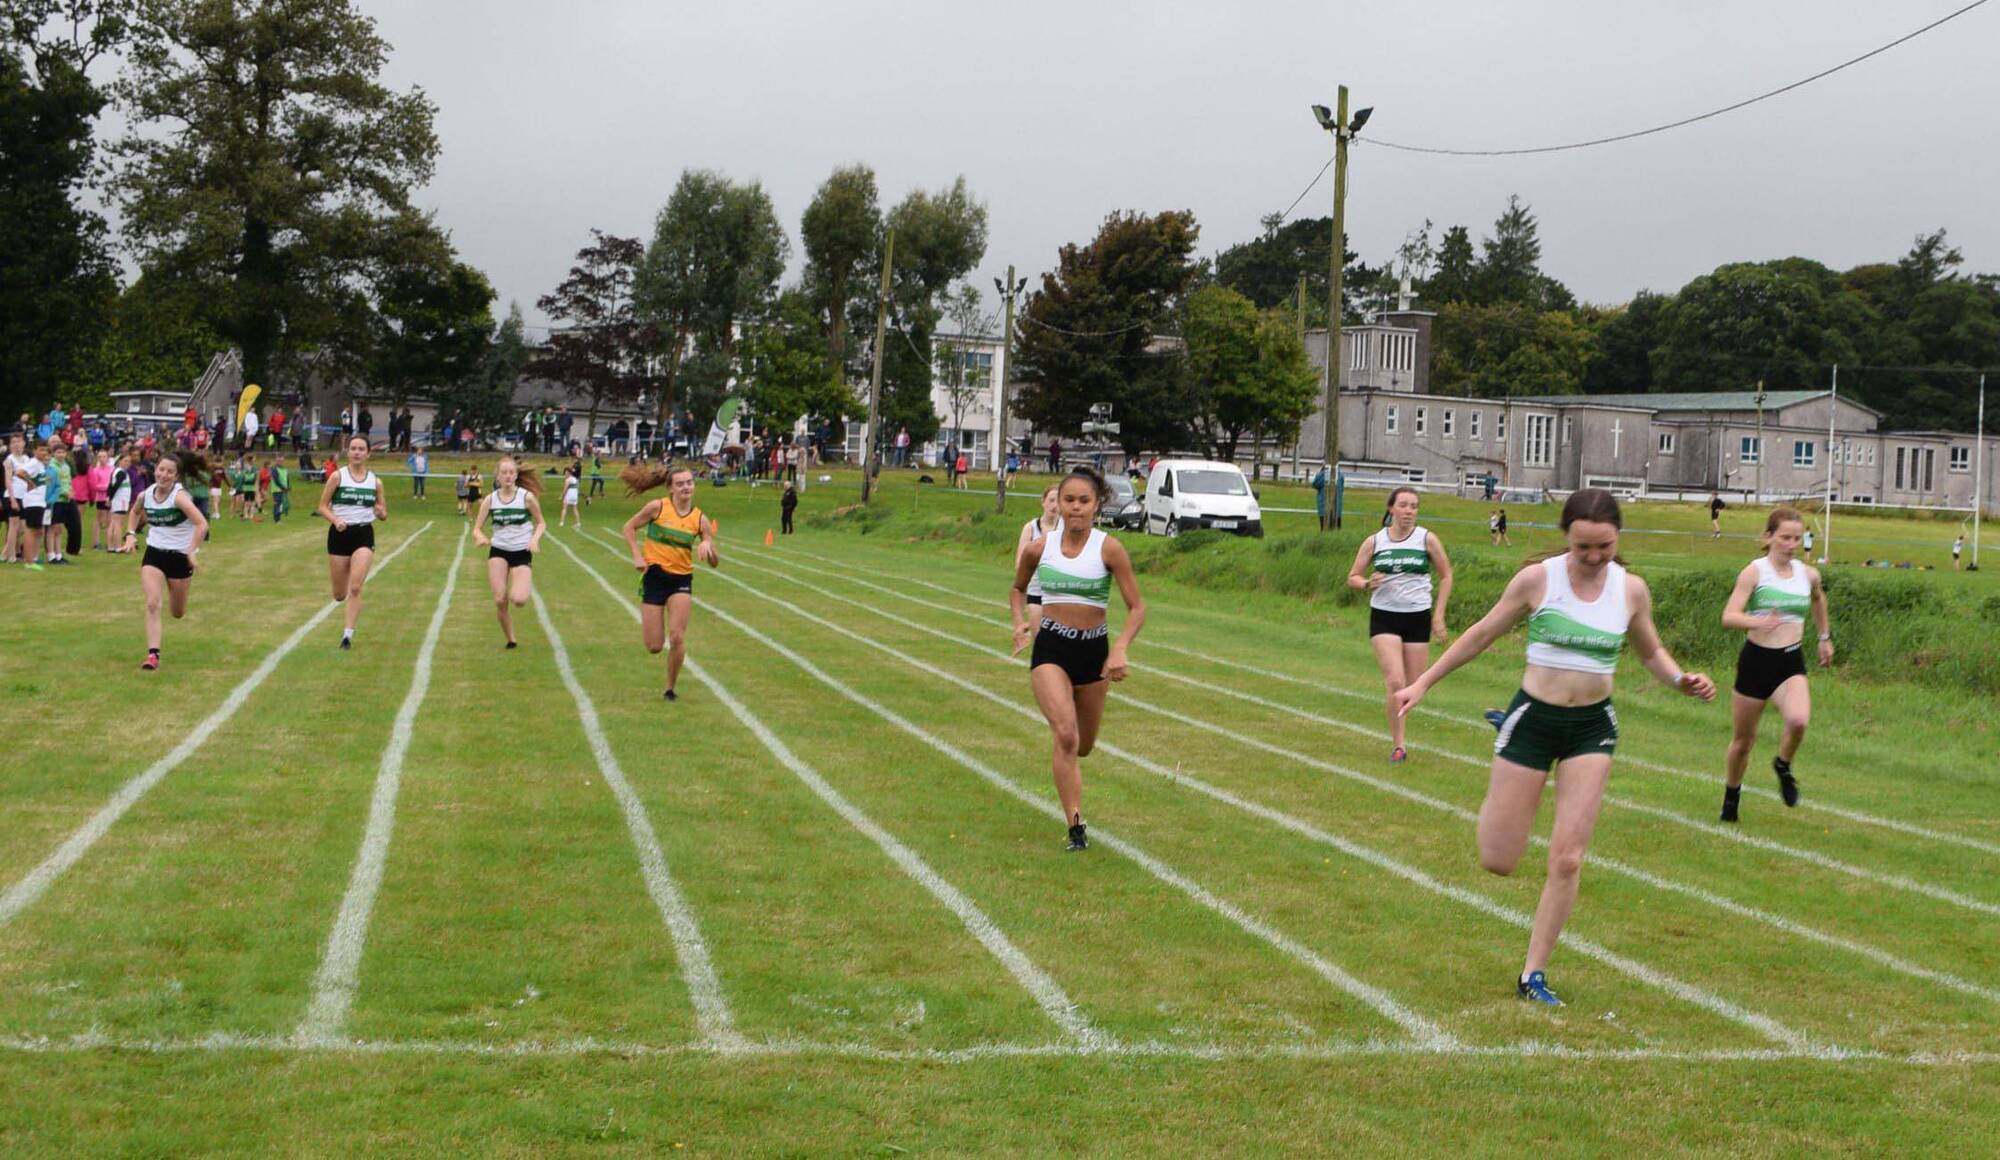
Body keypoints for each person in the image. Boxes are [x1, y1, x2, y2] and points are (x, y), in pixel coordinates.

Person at [1394, 489, 1716, 1007]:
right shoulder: (1537, 579)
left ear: (1618, 539)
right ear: (1566, 536)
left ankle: (1533, 974)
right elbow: (1479, 635)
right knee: (1498, 859)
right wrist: (1424, 682)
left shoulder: (1631, 590)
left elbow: (1649, 649)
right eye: (1584, 547)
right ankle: (1506, 754)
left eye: (1604, 547)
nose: (1593, 558)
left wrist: (1680, 680)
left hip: (1592, 727)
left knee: (1567, 858)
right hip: (1533, 720)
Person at [1010, 466, 1145, 851]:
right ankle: (1075, 825)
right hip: (1051, 648)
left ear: (1097, 504)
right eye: (1068, 500)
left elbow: (1136, 608)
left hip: (1093, 652)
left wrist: (1120, 648)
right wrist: (1019, 622)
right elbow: (1018, 589)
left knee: (1083, 745)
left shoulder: (1110, 549)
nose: (1075, 508)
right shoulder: (1040, 547)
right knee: (1066, 735)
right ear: (1059, 504)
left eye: (1084, 501)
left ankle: (1070, 783)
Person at [1718, 507, 1833, 824]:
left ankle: (1783, 765)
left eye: (1798, 538)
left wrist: (1824, 637)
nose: (1792, 544)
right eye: (1785, 537)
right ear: (1768, 537)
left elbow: (1818, 599)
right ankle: (1731, 796)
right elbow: (1729, 616)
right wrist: (1757, 620)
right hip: (1756, 662)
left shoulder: (1808, 575)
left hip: (1790, 661)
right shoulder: (1754, 572)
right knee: (1743, 743)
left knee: (1798, 720)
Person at [1347, 487, 1453, 762]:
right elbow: (1353, 576)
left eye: (1414, 506)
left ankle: (1400, 731)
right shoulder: (1375, 541)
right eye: (1404, 505)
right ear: (1391, 509)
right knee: (1395, 680)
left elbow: (1446, 576)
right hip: (1384, 616)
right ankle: (1399, 746)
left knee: (1413, 686)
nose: (1409, 511)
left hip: (1417, 616)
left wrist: (1438, 616)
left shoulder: (1427, 539)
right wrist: (1367, 583)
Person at [620, 464, 719, 702]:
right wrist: (636, 554)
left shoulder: (700, 519)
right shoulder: (657, 507)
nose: (686, 487)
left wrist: (709, 547)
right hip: (654, 577)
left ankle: (670, 688)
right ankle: (665, 672)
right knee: (654, 646)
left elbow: (714, 562)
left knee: (676, 637)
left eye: (689, 483)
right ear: (671, 489)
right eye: (681, 484)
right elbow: (629, 527)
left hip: (681, 581)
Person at [126, 451, 210, 670]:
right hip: (154, 553)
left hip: (180, 557)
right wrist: (130, 534)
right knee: (152, 602)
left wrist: (192, 551)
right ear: (155, 470)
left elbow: (202, 524)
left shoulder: (180, 498)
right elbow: (135, 513)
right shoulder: (146, 494)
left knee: (177, 612)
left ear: (176, 476)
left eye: (169, 472)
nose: (163, 475)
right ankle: (153, 655)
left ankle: (179, 597)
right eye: (161, 469)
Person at [315, 434, 387, 650]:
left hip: (363, 534)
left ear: (368, 453)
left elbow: (383, 514)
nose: (356, 452)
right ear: (348, 452)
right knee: (339, 594)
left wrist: (380, 512)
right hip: (339, 535)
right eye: (353, 448)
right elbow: (322, 506)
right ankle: (342, 594)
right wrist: (335, 519)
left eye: (361, 449)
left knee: (355, 587)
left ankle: (347, 636)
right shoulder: (338, 477)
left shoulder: (375, 482)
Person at [471, 454, 546, 649]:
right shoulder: (490, 500)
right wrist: (480, 537)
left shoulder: (526, 498)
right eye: (503, 472)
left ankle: (519, 580)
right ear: (497, 476)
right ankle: (511, 639)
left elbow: (541, 523)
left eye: (511, 472)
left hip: (522, 550)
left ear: (516, 475)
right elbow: (477, 527)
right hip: (499, 550)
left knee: (519, 600)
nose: (507, 476)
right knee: (499, 599)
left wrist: (534, 540)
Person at [1015, 485, 1061, 610]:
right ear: (1043, 501)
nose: (1054, 505)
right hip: (1035, 590)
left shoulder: (1066, 529)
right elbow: (1020, 562)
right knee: (1037, 629)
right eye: (1051, 500)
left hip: (1058, 594)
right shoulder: (1030, 528)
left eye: (1058, 501)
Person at [106, 449, 135, 551]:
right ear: (120, 461)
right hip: (120, 500)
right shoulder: (121, 473)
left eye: (129, 461)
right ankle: (117, 547)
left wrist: (109, 497)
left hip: (116, 500)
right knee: (118, 523)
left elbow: (110, 485)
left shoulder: (116, 471)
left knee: (113, 523)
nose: (128, 463)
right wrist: (110, 497)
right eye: (125, 461)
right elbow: (115, 486)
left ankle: (111, 546)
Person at [557, 462, 582, 527]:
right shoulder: (575, 479)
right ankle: (578, 523)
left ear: (569, 473)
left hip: (569, 494)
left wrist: (561, 496)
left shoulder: (568, 480)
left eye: (566, 473)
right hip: (575, 495)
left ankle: (561, 522)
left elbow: (565, 489)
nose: (565, 474)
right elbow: (577, 488)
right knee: (575, 508)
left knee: (564, 508)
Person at [269, 456, 292, 523]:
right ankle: (276, 519)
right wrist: (283, 487)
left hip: (283, 490)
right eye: (279, 461)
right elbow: (276, 480)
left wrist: (288, 486)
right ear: (276, 461)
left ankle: (278, 518)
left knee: (281, 505)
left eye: (282, 461)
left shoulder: (285, 469)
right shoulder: (274, 469)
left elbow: (287, 478)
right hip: (277, 490)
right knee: (277, 504)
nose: (281, 462)